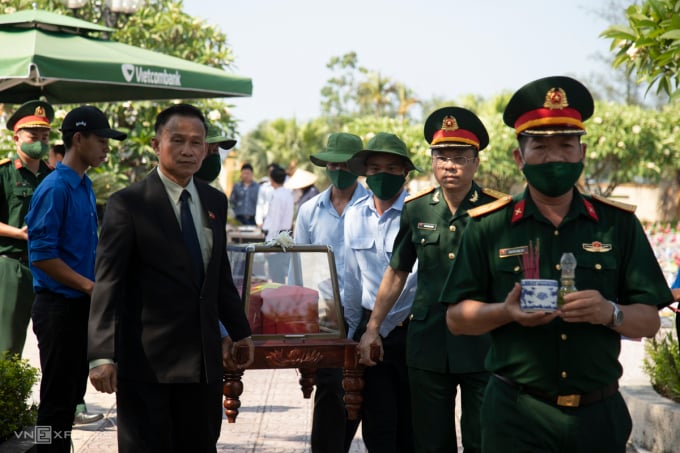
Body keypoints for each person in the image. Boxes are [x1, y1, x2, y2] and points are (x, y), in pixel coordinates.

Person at [441, 75, 673, 453]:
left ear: (582, 153)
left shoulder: (618, 225)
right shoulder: (488, 226)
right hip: (515, 416)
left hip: (598, 419)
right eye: (541, 147)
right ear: (520, 157)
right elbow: (455, 318)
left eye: (566, 145)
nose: (555, 158)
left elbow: (648, 321)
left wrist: (609, 312)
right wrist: (507, 311)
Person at [87, 104, 255, 453]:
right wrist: (102, 354)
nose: (187, 150)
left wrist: (240, 331)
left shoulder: (214, 202)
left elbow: (218, 274)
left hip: (203, 365)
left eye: (197, 142)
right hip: (148, 365)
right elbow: (108, 283)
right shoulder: (128, 204)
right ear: (155, 144)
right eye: (177, 140)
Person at [358, 107, 508, 452]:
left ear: (476, 162)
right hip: (428, 343)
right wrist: (372, 328)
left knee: (482, 437)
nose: (450, 165)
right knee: (429, 441)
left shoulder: (498, 210)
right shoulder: (417, 209)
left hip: (482, 344)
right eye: (442, 157)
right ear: (432, 161)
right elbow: (397, 270)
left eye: (459, 157)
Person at [25, 105, 126, 451]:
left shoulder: (84, 185)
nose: (106, 147)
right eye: (101, 140)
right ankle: (44, 448)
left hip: (83, 303)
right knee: (55, 399)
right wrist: (89, 286)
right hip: (58, 307)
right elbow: (41, 255)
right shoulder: (55, 188)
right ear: (78, 139)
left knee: (70, 398)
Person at [343, 132, 419, 452]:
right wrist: (353, 334)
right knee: (378, 425)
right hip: (367, 336)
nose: (382, 175)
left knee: (412, 427)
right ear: (365, 173)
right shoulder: (354, 214)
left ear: (404, 171)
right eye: (374, 169)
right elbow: (351, 280)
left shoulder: (419, 214)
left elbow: (414, 280)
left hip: (411, 333)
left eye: (391, 168)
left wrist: (380, 327)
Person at [293, 132, 369, 453]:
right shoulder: (309, 211)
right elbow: (300, 269)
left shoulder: (372, 208)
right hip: (325, 322)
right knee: (329, 396)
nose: (338, 170)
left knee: (368, 400)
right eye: (332, 164)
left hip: (369, 320)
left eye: (346, 164)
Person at [0, 100, 53, 357]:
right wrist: (18, 233)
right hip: (14, 265)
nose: (40, 142)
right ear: (17, 138)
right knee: (8, 344)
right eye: (34, 136)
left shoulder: (53, 175)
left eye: (45, 136)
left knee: (55, 340)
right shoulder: (4, 174)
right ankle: (7, 397)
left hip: (51, 266)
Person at [262, 165, 294, 283]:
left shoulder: (277, 196)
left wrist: (269, 244)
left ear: (271, 179)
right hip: (285, 236)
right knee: (280, 274)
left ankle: (277, 300)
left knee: (275, 276)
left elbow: (275, 221)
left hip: (276, 239)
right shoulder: (288, 194)